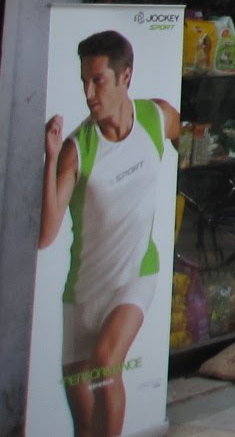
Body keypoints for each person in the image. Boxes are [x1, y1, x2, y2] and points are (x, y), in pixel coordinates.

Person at [39, 30, 180, 437]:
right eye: (84, 81)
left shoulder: (157, 117)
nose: (88, 92)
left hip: (135, 276)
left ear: (125, 78)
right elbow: (47, 234)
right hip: (83, 294)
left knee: (105, 363)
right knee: (83, 422)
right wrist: (50, 160)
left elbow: (184, 138)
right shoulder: (76, 148)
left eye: (98, 80)